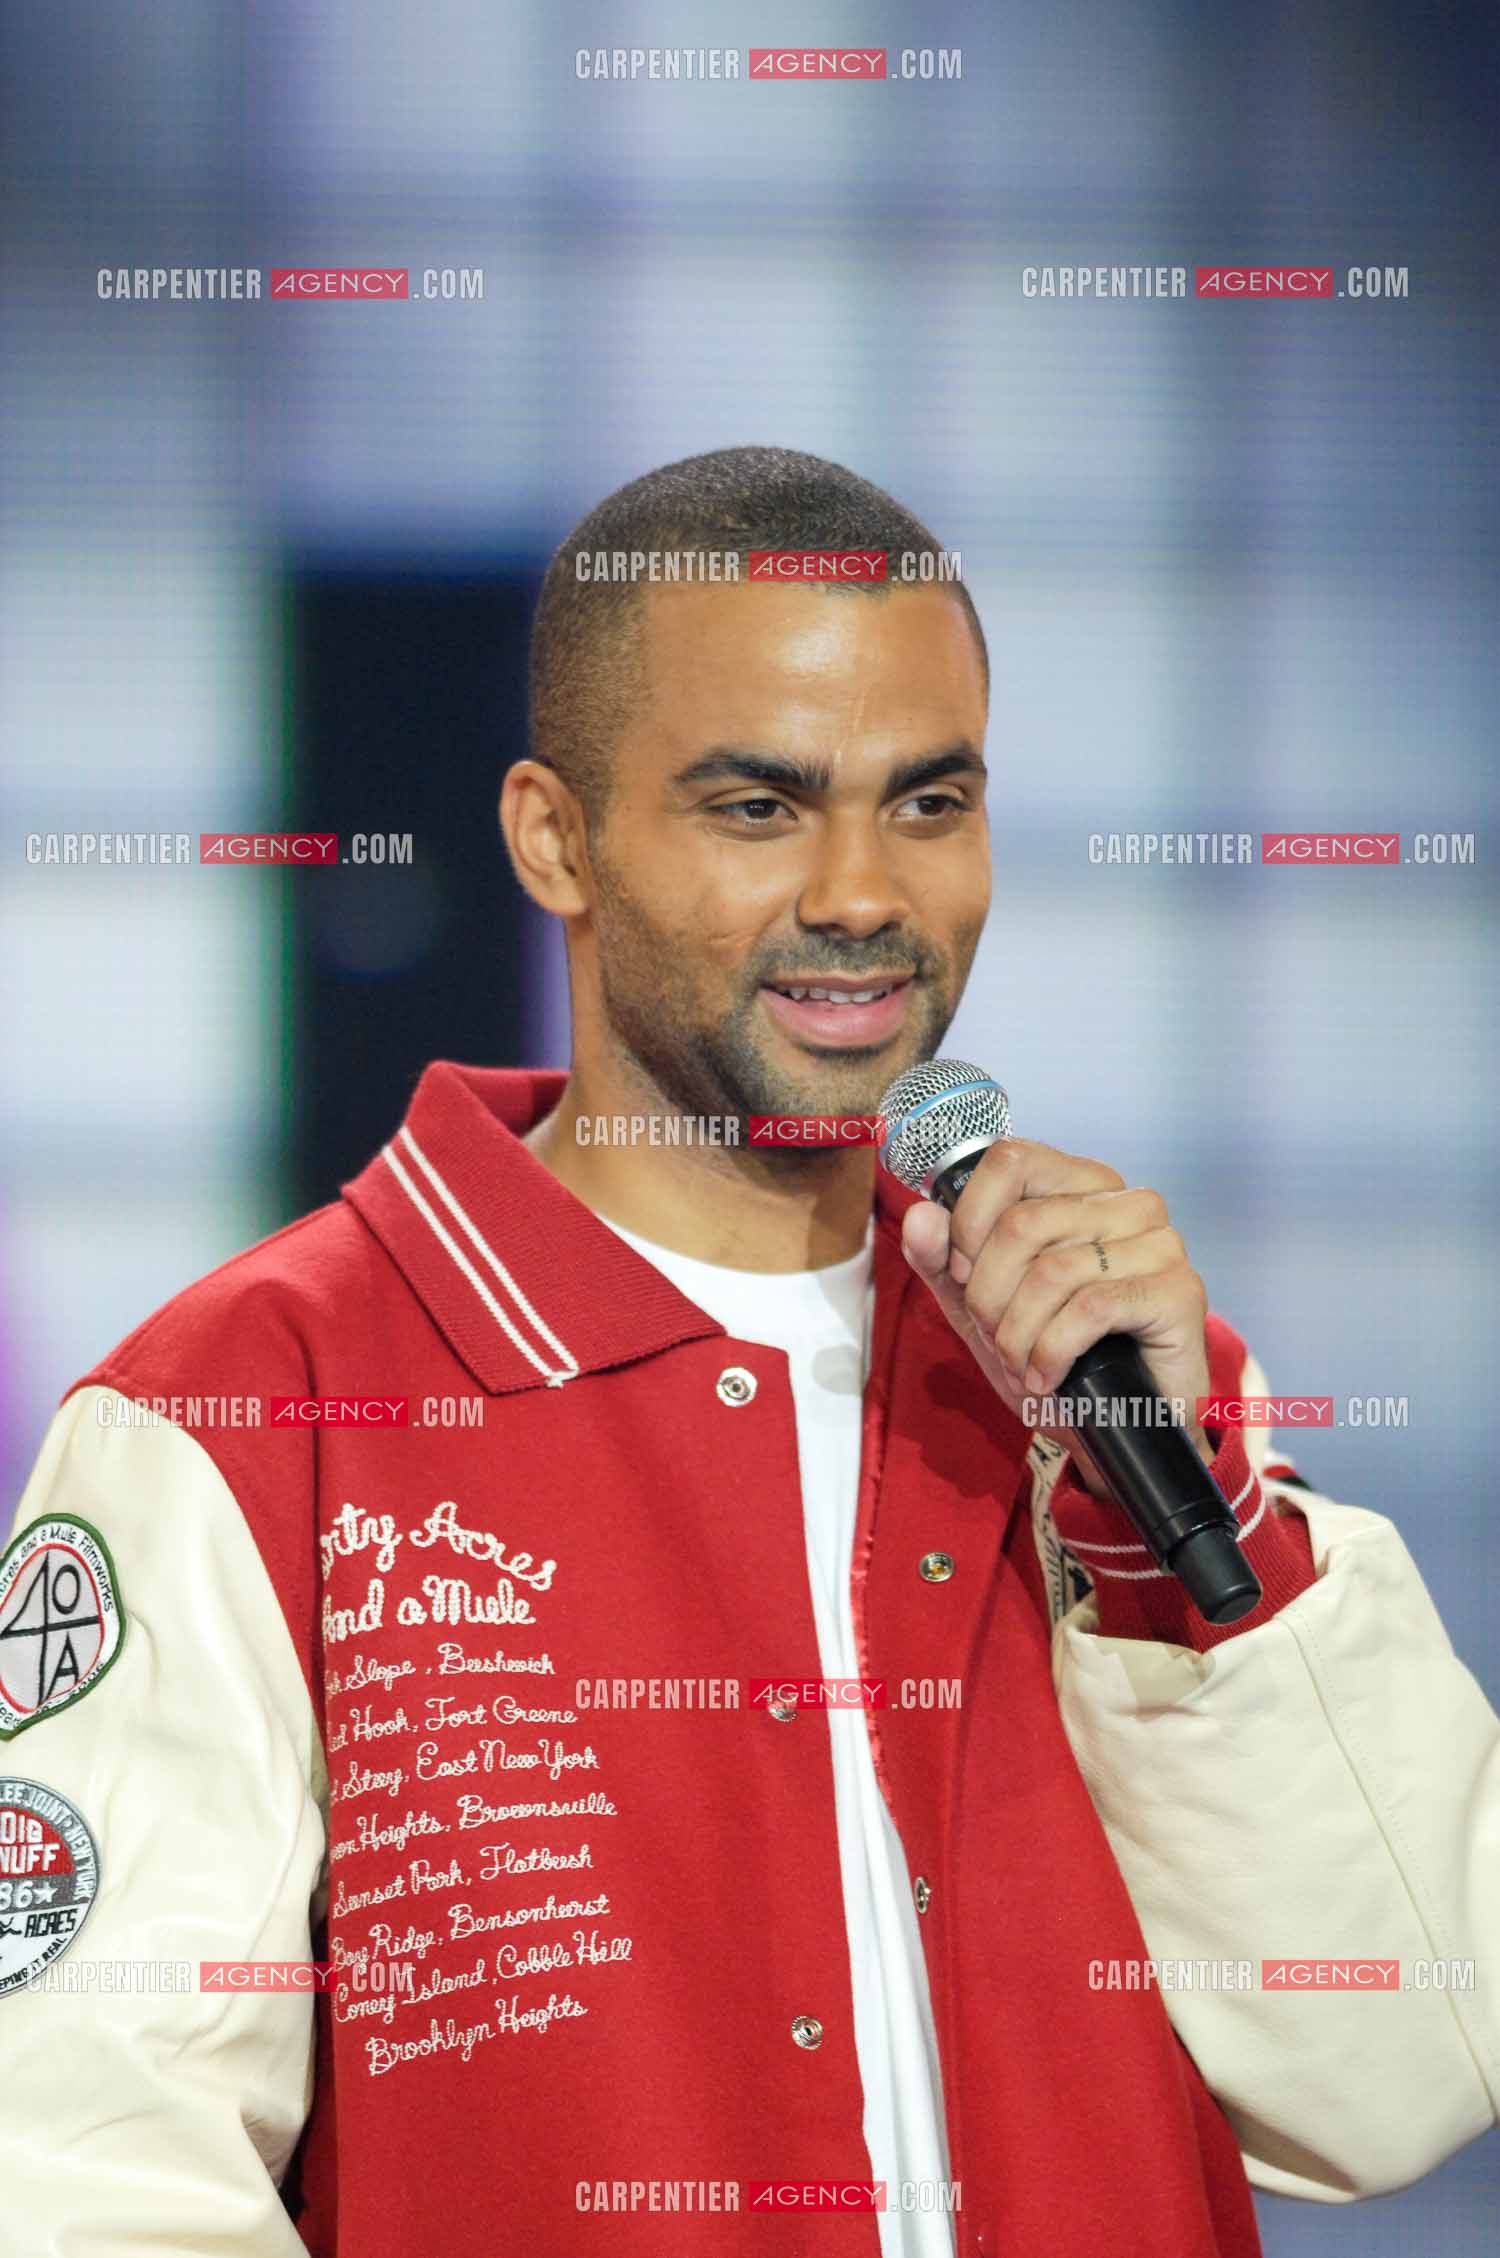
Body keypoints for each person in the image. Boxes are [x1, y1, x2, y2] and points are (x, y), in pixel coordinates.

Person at [1, 447, 1495, 2258]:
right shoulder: (249, 1413)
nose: (865, 891)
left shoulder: (1101, 1376)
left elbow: (1408, 2067)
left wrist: (1190, 1546)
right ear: (554, 836)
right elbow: (86, 2183)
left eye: (930, 802)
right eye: (760, 808)